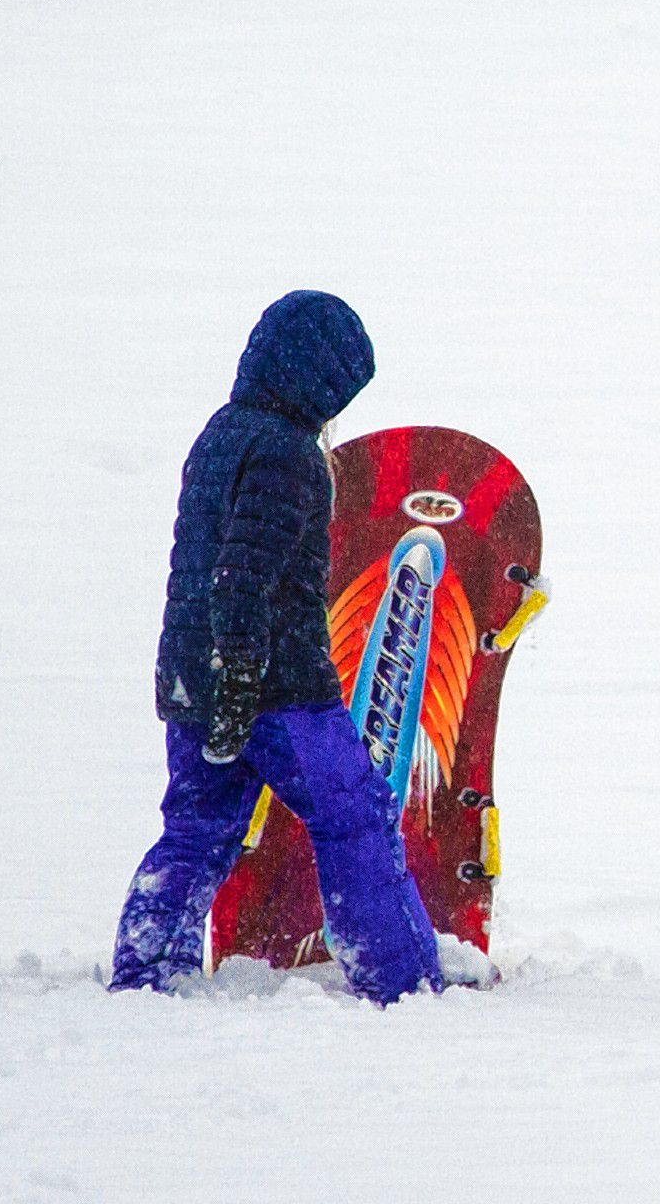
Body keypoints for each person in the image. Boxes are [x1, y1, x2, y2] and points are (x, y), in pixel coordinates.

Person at [110, 291, 443, 1005]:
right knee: (355, 815)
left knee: (199, 826)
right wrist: (241, 685)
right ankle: (401, 980)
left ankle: (146, 971)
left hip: (191, 678)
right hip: (276, 686)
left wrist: (217, 688)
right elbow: (242, 573)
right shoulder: (287, 453)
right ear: (317, 378)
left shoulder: (222, 433)